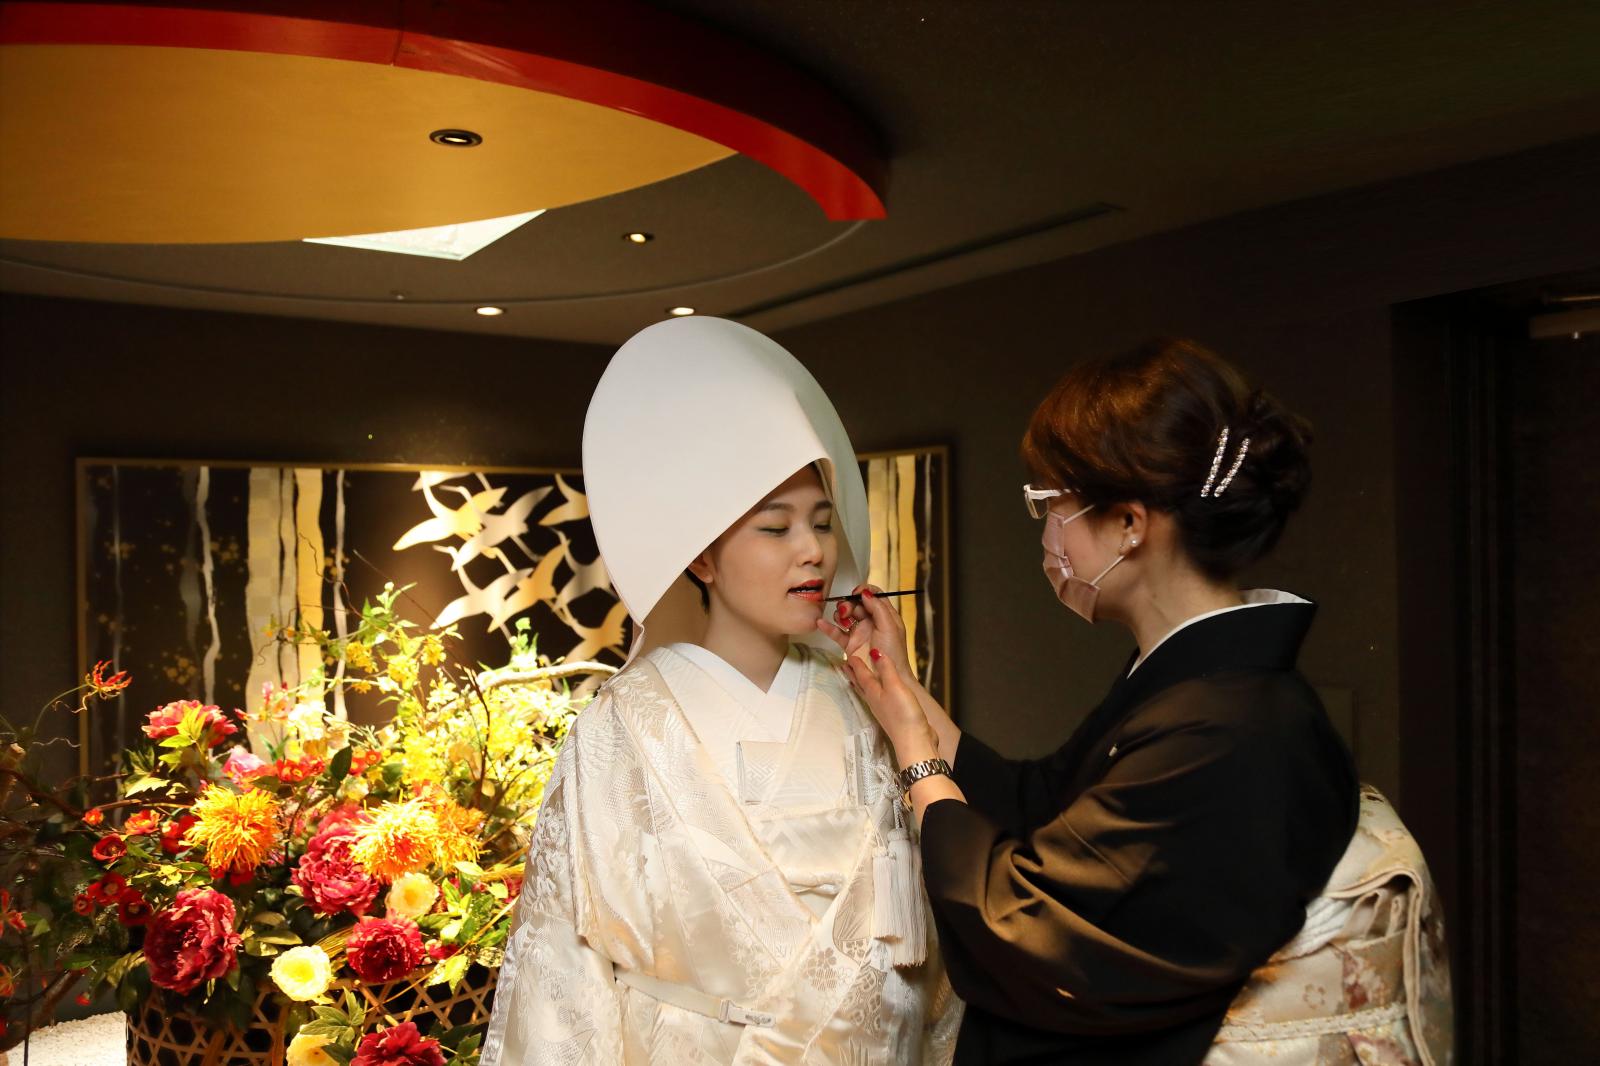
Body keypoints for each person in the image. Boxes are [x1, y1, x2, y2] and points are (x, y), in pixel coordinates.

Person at [827, 338, 1451, 1064]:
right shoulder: (1194, 684)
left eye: (1052, 504)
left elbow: (1024, 924)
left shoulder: (1234, 728)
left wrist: (915, 754)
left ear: (1129, 524)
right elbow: (1041, 803)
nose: (1046, 533)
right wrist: (901, 687)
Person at [481, 317, 960, 1066]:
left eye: (822, 523)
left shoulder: (859, 702)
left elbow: (939, 923)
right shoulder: (625, 726)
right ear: (702, 558)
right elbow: (563, 965)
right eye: (775, 528)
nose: (813, 550)